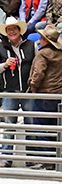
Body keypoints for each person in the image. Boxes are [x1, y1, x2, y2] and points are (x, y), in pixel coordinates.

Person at [26, 23, 62, 169]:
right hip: (59, 97)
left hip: (44, 95)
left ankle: (46, 158)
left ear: (45, 40)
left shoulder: (43, 54)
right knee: (54, 128)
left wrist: (32, 88)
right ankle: (54, 159)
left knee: (41, 128)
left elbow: (38, 73)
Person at [1, 14, 33, 166]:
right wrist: (4, 65)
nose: (11, 32)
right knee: (9, 126)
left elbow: (37, 66)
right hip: (9, 91)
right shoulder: (0, 47)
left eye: (14, 29)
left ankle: (32, 159)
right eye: (9, 30)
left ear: (19, 30)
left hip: (28, 91)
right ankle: (6, 158)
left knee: (31, 125)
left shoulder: (31, 45)